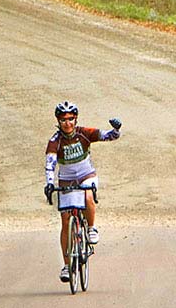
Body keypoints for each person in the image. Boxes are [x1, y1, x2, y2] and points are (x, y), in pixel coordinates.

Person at [43, 101, 121, 282]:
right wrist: (49, 183)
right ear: (58, 121)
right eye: (63, 120)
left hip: (87, 175)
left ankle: (92, 228)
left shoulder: (84, 133)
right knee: (65, 221)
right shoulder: (55, 141)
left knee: (87, 196)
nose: (67, 123)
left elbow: (108, 136)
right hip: (66, 180)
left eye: (70, 119)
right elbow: (50, 165)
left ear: (75, 119)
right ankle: (66, 265)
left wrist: (116, 130)